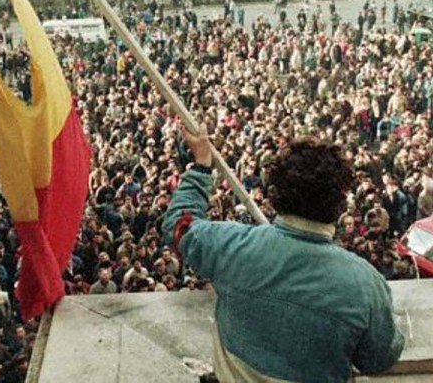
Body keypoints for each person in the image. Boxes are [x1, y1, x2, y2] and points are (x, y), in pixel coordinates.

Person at [163, 125, 403, 382]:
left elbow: (180, 224)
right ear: (340, 203)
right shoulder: (365, 283)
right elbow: (378, 359)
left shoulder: (231, 246)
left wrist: (201, 165)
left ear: (275, 193)